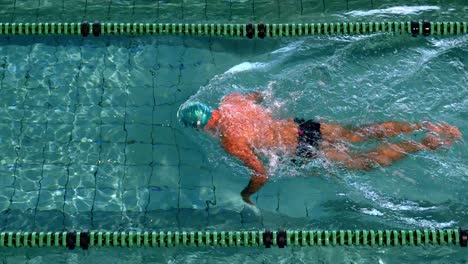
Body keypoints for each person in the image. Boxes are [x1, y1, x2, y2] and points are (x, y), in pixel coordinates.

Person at [177, 92, 462, 205]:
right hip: (301, 126)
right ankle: (423, 125)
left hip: (301, 148)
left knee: (363, 161)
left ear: (202, 127)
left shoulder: (230, 141)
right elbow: (261, 96)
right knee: (358, 133)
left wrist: (245, 194)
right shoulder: (231, 100)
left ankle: (426, 143)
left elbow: (262, 173)